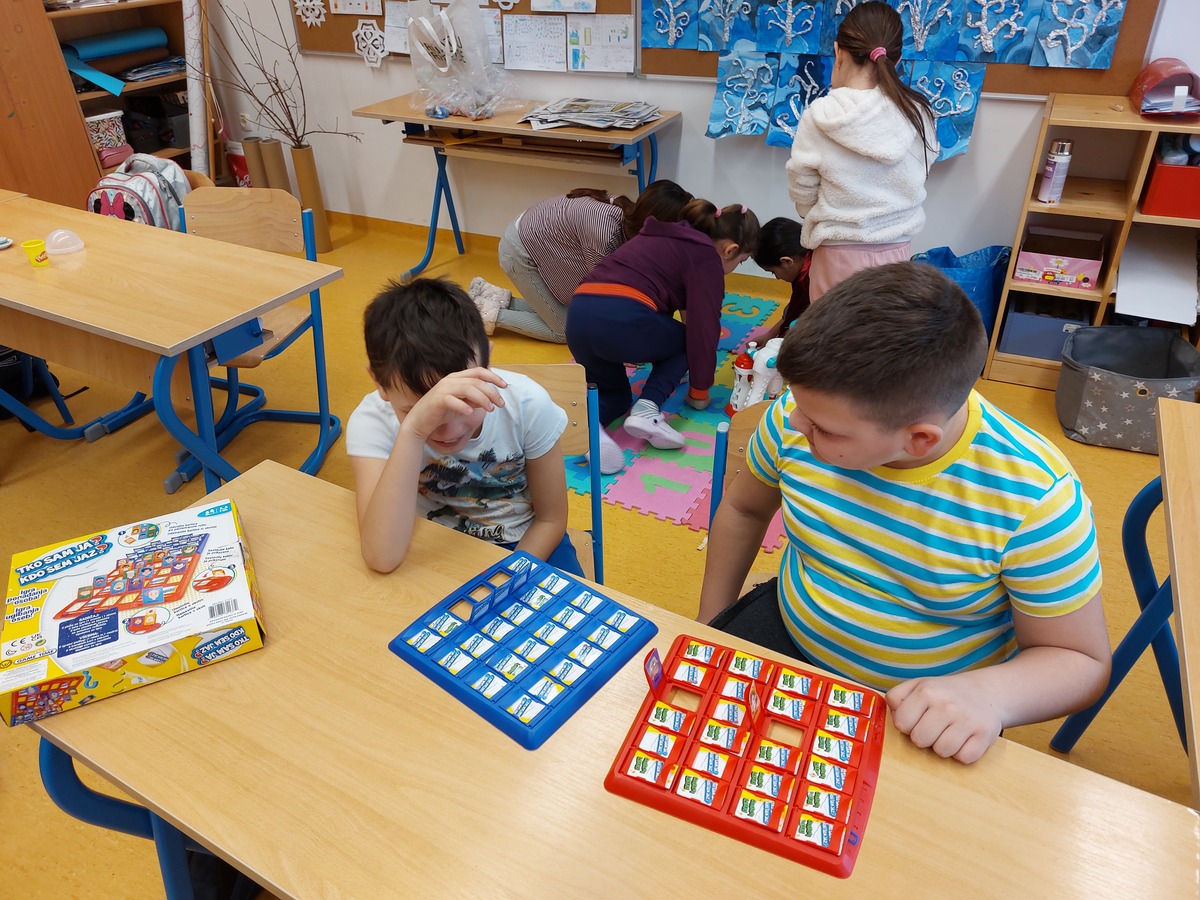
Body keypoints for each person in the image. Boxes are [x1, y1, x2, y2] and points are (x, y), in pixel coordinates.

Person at [697, 262, 1110, 765]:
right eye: (795, 403)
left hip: (924, 706)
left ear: (918, 440)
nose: (795, 422)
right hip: (787, 633)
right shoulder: (798, 415)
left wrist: (990, 696)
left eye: (825, 429)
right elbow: (743, 509)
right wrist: (710, 624)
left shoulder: (1035, 499)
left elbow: (1079, 659)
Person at [346, 277, 583, 577]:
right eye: (416, 411)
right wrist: (413, 432)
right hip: (429, 540)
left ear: (487, 362)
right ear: (379, 383)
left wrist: (505, 579)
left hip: (524, 542)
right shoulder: (373, 421)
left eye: (464, 402)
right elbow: (382, 556)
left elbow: (550, 521)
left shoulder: (528, 404)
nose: (448, 431)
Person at [565, 200, 760, 473]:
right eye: (741, 261)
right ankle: (647, 409)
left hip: (578, 318)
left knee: (615, 395)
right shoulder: (707, 257)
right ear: (731, 250)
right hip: (623, 319)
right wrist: (699, 391)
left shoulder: (660, 237)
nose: (735, 266)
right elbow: (703, 330)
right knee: (687, 341)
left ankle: (587, 427)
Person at [786, 0, 937, 301]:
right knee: (881, 330)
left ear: (838, 51)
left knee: (833, 330)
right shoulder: (918, 112)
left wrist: (817, 213)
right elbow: (921, 170)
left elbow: (802, 189)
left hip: (837, 253)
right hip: (896, 254)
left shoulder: (821, 114)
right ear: (896, 60)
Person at [470, 180, 694, 342]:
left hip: (533, 237)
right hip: (519, 252)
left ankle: (492, 296)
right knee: (566, 331)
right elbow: (603, 297)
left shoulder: (630, 219)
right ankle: (476, 313)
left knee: (570, 313)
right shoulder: (606, 234)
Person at [745, 217, 811, 346]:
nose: (777, 278)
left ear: (787, 261)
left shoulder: (808, 281)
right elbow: (793, 311)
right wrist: (769, 335)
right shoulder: (806, 262)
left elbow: (800, 318)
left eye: (773, 272)